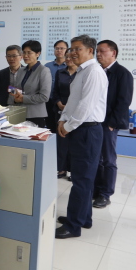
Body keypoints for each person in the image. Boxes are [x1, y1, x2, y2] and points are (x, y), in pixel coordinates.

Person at [55, 35, 108, 239]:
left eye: (78, 49)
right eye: (72, 49)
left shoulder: (94, 72)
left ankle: (73, 225)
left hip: (87, 130)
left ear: (90, 51)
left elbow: (86, 106)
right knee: (81, 177)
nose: (73, 52)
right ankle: (84, 218)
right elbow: (73, 101)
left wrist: (69, 126)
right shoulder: (81, 71)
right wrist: (63, 119)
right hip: (79, 128)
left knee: (82, 180)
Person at [93, 40, 133, 209]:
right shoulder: (97, 71)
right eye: (97, 51)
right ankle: (96, 190)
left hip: (109, 123)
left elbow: (124, 101)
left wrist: (112, 123)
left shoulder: (122, 73)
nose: (98, 54)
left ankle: (105, 194)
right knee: (96, 158)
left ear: (113, 53)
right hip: (95, 121)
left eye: (102, 51)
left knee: (108, 159)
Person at [10, 40, 51, 128]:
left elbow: (44, 97)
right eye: (24, 52)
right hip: (20, 114)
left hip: (35, 116)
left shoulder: (44, 71)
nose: (25, 56)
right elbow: (16, 89)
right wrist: (15, 96)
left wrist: (23, 98)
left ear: (38, 54)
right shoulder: (21, 70)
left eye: (29, 53)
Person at [52, 50, 78, 179]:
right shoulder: (60, 72)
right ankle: (61, 169)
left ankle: (74, 171)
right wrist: (58, 103)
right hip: (61, 111)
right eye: (66, 57)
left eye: (71, 57)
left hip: (76, 113)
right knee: (62, 141)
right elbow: (55, 91)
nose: (68, 59)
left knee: (75, 143)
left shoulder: (81, 73)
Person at [45, 40, 69, 132]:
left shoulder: (70, 66)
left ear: (67, 50)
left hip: (63, 102)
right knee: (50, 126)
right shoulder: (47, 66)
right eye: (57, 48)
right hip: (49, 101)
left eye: (62, 48)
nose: (59, 50)